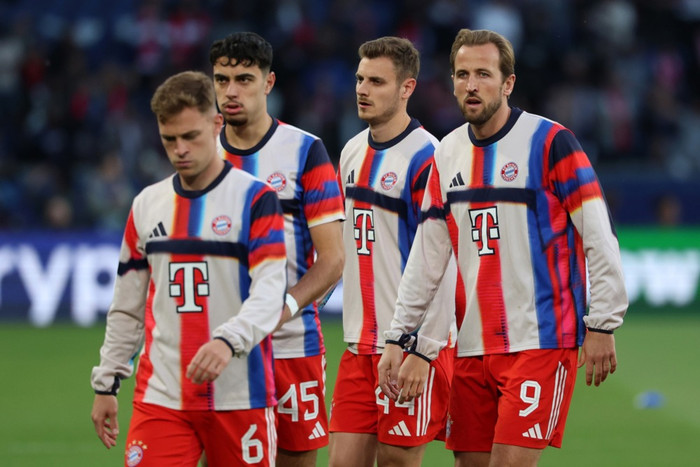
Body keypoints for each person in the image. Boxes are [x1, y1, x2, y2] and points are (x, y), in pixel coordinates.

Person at [378, 28, 628, 467]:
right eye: (462, 74)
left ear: (508, 82)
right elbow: (428, 256)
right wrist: (399, 336)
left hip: (541, 340)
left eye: (483, 74)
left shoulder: (550, 142)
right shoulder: (447, 153)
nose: (471, 85)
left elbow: (598, 235)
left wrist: (603, 323)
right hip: (472, 345)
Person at [90, 70, 287, 466]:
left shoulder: (255, 199)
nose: (180, 149)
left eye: (190, 136)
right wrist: (107, 382)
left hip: (240, 396)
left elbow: (270, 292)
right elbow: (127, 305)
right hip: (162, 397)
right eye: (169, 139)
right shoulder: (147, 205)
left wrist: (227, 340)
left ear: (216, 124)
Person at [208, 32, 344, 467]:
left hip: (290, 344)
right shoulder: (201, 153)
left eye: (244, 79)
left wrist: (280, 310)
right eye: (222, 80)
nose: (231, 91)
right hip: (218, 345)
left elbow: (333, 260)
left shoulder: (305, 151)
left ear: (268, 83)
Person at [329, 36, 458, 467]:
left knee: (396, 461)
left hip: (410, 344)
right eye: (360, 79)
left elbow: (444, 262)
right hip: (359, 345)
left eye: (376, 82)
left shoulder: (428, 157)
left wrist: (422, 348)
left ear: (407, 88)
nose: (362, 90)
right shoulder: (351, 151)